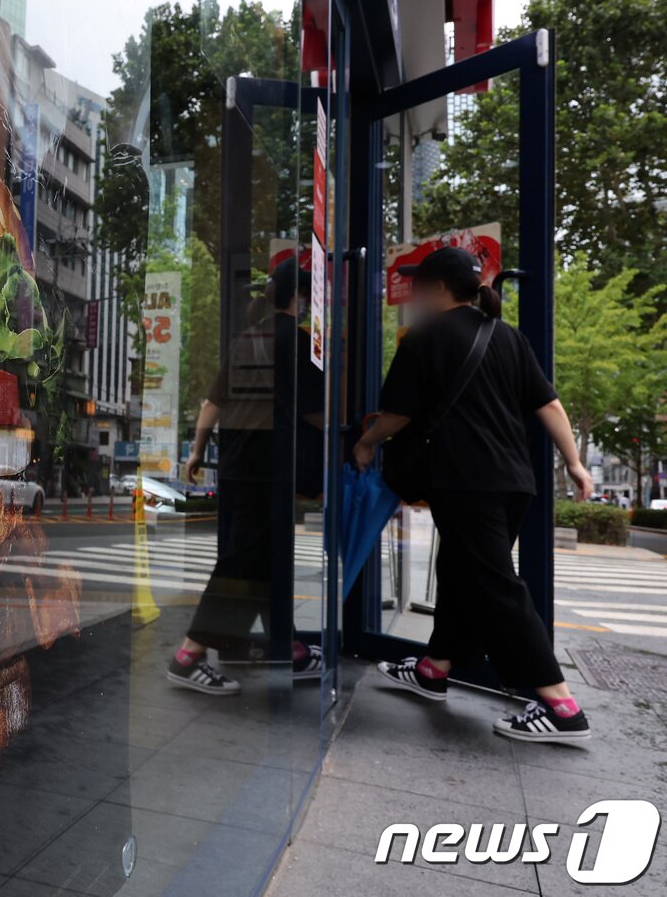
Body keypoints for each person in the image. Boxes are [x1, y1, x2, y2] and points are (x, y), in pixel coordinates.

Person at [353, 247, 595, 745]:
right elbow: (548, 403)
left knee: (494, 585)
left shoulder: (425, 337)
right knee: (462, 573)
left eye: (420, 284)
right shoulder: (506, 336)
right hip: (513, 482)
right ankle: (434, 669)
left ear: (438, 290)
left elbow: (396, 415)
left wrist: (365, 442)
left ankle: (562, 707)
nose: (415, 293)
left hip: (466, 481)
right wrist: (573, 462)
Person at [167, 258, 325, 695]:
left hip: (237, 463)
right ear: (300, 298)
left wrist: (197, 451)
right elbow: (318, 413)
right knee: (242, 560)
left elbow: (211, 404)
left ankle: (288, 645)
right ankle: (188, 655)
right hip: (268, 466)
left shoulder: (244, 340)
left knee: (263, 557)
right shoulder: (296, 343)